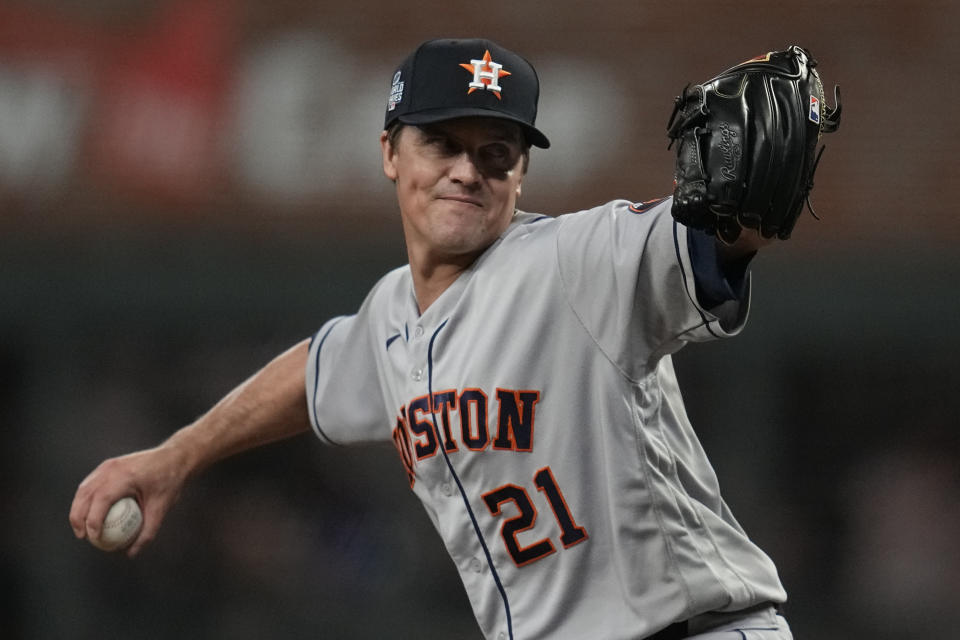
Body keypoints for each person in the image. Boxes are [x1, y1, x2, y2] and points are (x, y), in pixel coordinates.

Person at [70, 38, 793, 640]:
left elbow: (707, 242)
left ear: (522, 172)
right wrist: (174, 457)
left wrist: (744, 208)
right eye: (441, 142)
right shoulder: (391, 314)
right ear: (391, 152)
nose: (465, 171)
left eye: (495, 153)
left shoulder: (576, 262)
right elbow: (313, 376)